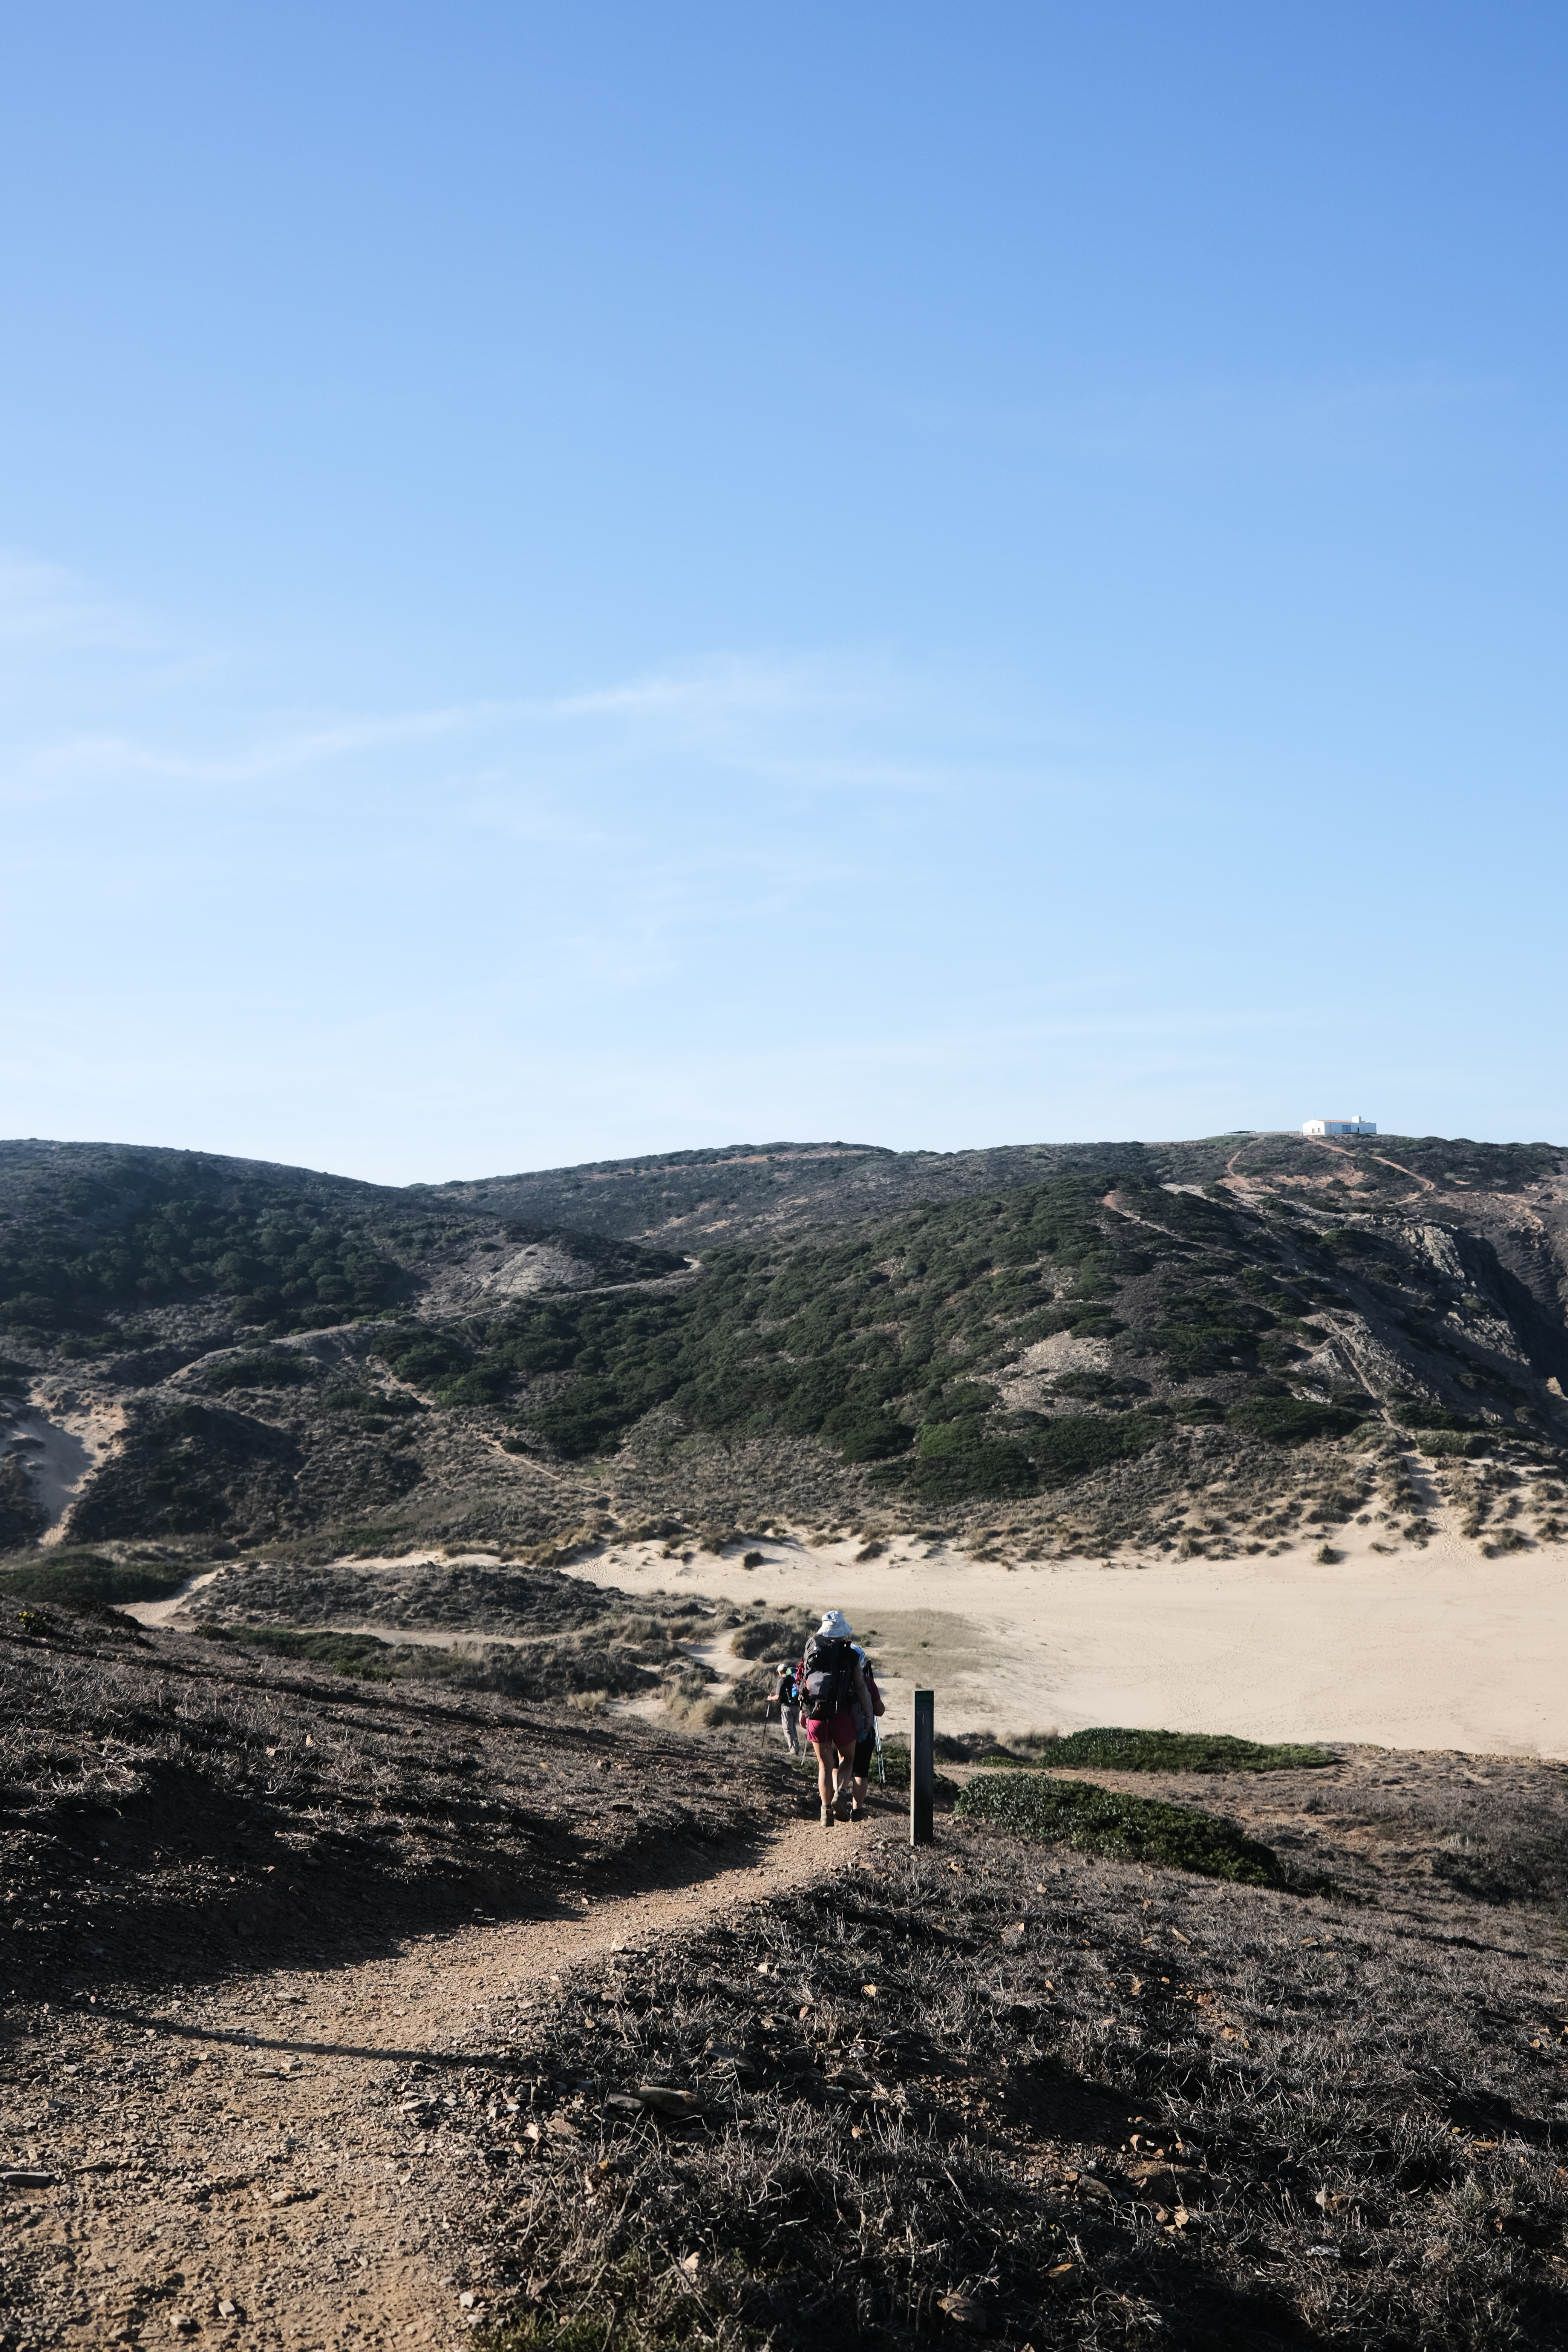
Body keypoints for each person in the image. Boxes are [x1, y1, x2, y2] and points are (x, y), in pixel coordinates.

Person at [796, 1608, 873, 1828]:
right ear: (841, 1631)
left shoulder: (812, 1648)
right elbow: (859, 1686)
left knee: (824, 1765)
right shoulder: (851, 1654)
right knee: (847, 1759)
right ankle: (841, 1794)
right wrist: (867, 1715)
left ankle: (825, 1812)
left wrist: (803, 1711)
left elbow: (802, 1681)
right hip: (842, 1715)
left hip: (816, 1715)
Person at [844, 1636, 886, 1821]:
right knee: (861, 1771)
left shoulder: (839, 1682)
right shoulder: (868, 1683)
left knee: (838, 1766)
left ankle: (836, 1799)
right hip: (864, 1732)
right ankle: (858, 1810)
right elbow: (880, 1711)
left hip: (842, 1732)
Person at [770, 1659, 801, 1755]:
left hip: (787, 1707)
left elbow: (778, 1697)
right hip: (796, 1707)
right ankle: (797, 1749)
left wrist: (770, 1698)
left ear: (780, 1672)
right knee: (793, 1728)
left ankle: (793, 1750)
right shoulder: (794, 1680)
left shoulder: (782, 1681)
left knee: (787, 1729)